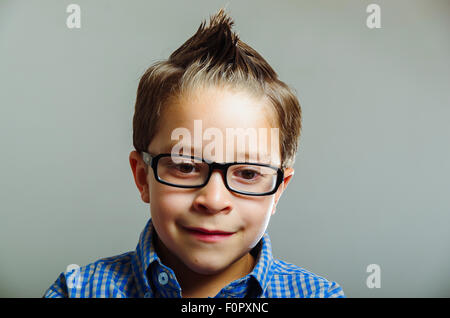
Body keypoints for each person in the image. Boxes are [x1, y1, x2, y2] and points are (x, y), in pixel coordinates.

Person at [44, 8, 345, 298]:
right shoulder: (77, 291)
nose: (213, 201)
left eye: (249, 173)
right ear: (142, 177)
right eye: (186, 167)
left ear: (278, 190)